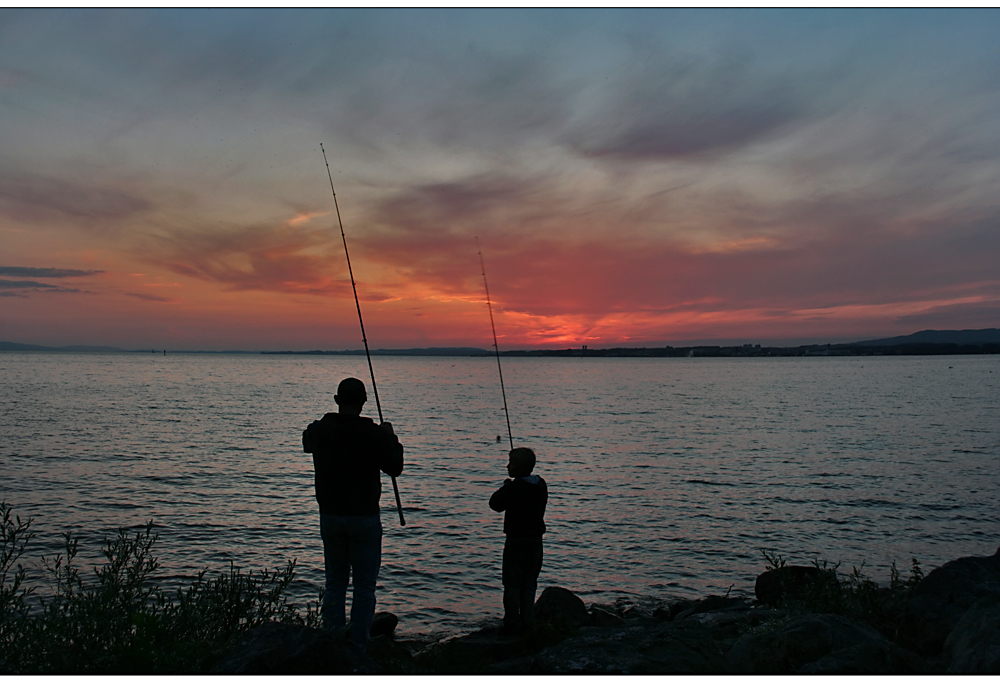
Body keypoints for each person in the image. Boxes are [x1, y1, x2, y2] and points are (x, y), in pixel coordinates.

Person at [302, 377, 403, 648]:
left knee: (335, 582)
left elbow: (307, 441)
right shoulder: (373, 434)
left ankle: (332, 640)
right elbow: (394, 467)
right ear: (363, 402)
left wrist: (318, 426)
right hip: (365, 517)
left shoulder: (321, 430)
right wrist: (391, 437)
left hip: (331, 516)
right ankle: (359, 645)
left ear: (337, 400)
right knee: (364, 587)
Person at [488, 447, 547, 634]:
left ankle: (512, 622)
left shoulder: (514, 488)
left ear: (520, 467)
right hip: (536, 540)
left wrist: (506, 487)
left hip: (516, 541)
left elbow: (495, 504)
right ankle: (527, 620)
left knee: (512, 583)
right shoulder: (541, 484)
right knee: (529, 582)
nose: (507, 466)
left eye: (511, 463)